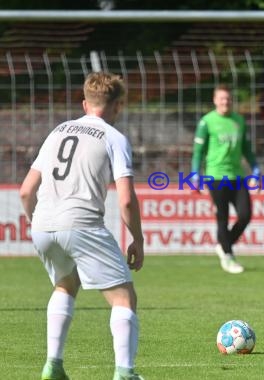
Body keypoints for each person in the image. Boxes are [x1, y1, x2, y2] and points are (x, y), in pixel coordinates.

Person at [19, 72, 144, 380]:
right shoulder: (114, 138)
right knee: (124, 298)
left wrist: (34, 220)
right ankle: (125, 373)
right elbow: (126, 200)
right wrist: (137, 239)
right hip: (82, 223)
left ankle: (53, 365)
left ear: (85, 103)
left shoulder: (57, 131)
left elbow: (26, 190)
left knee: (65, 284)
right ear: (117, 106)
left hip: (44, 223)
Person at [191, 84, 260, 274]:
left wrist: (255, 169)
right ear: (215, 100)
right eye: (222, 98)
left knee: (245, 215)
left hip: (237, 176)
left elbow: (246, 148)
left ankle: (224, 244)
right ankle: (228, 256)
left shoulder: (238, 120)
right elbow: (198, 151)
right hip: (216, 176)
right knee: (222, 217)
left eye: (228, 98)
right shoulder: (207, 122)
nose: (225, 102)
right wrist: (195, 174)